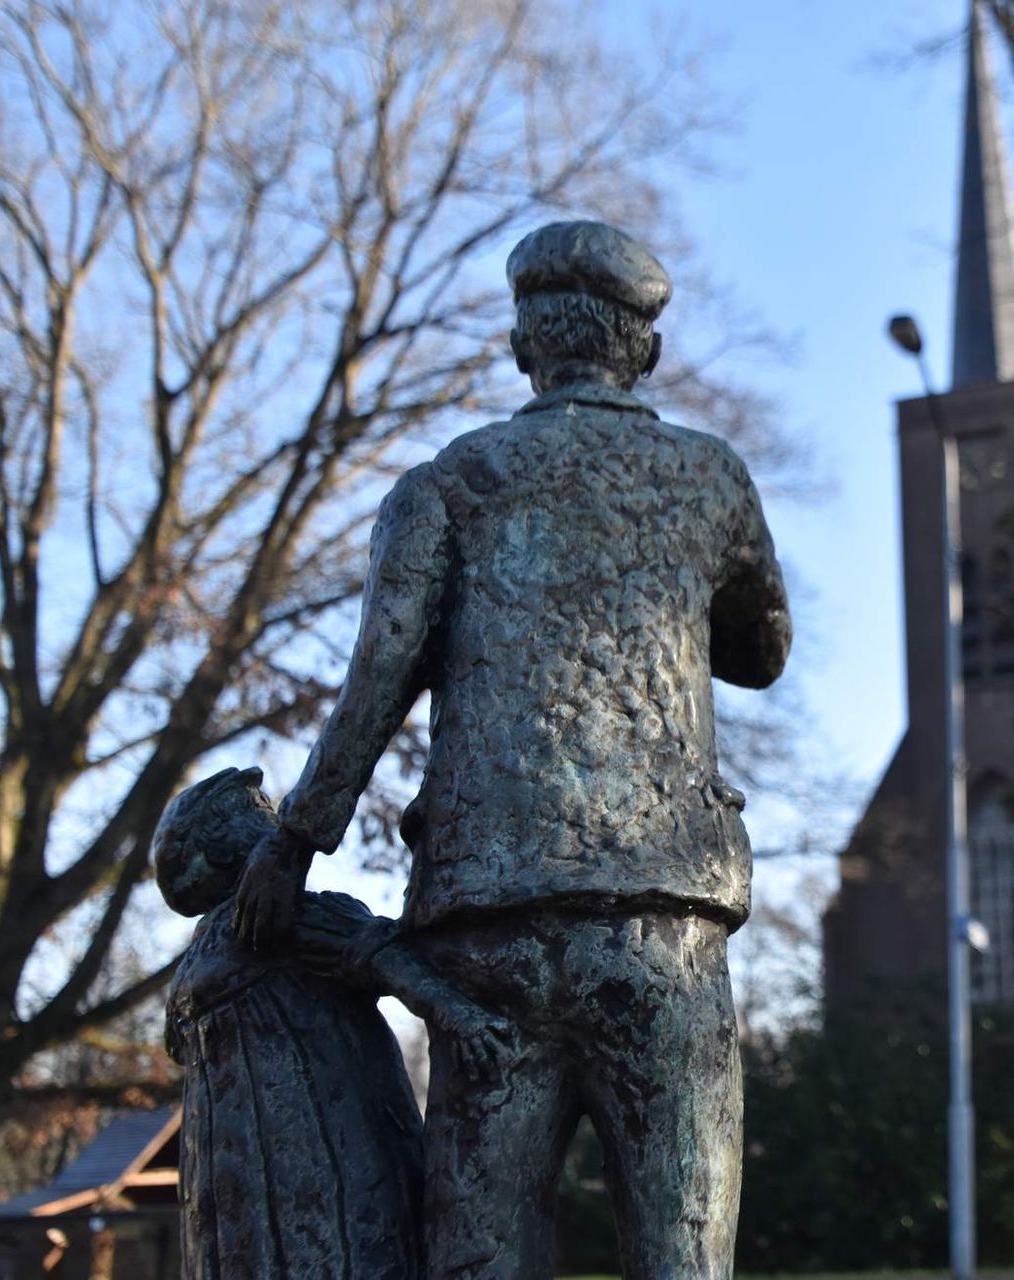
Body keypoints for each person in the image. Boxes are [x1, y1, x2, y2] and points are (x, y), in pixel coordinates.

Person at [231, 221, 791, 1280]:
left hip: (490, 931)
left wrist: (292, 842)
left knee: (482, 1256)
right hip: (663, 922)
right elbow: (762, 651)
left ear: (524, 345)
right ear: (648, 352)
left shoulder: (446, 484)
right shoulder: (710, 478)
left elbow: (375, 684)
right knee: (682, 1257)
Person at [157, 767, 512, 1280]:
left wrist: (457, 1013)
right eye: (255, 810)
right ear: (222, 842)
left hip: (321, 1142)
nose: (270, 817)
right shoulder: (224, 936)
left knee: (339, 1249)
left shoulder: (278, 914)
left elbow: (377, 954)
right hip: (234, 1164)